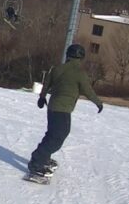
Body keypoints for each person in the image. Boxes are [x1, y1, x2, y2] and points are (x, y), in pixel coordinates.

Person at [29, 43, 103, 177]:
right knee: (58, 137)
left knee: (52, 134)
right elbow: (88, 91)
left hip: (52, 107)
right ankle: (36, 162)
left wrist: (41, 97)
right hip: (62, 110)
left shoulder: (57, 68)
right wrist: (98, 103)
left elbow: (46, 84)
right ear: (81, 57)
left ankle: (43, 158)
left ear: (68, 55)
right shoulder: (80, 73)